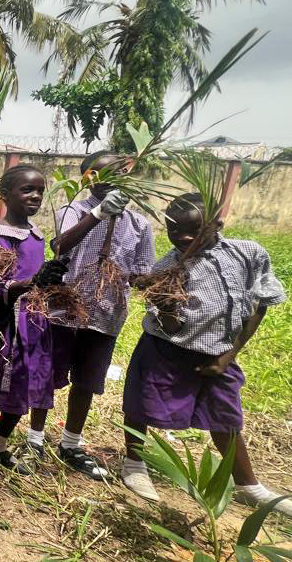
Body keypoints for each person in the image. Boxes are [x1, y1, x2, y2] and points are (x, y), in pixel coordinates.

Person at [121, 194, 290, 515]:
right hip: (166, 351)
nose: (184, 238)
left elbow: (260, 303)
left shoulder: (247, 254)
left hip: (219, 354)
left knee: (225, 417)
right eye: (174, 231)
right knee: (142, 406)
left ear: (217, 225)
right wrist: (166, 305)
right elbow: (170, 326)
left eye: (194, 230)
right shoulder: (167, 268)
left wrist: (228, 355)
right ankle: (133, 465)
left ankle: (248, 486)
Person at [25, 152, 152, 479]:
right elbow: (60, 245)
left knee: (87, 381)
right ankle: (35, 440)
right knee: (49, 375)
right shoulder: (74, 211)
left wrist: (162, 290)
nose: (114, 177)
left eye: (119, 172)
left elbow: (140, 272)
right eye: (103, 173)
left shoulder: (138, 223)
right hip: (64, 308)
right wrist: (98, 213)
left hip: (106, 313)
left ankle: (71, 442)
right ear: (89, 179)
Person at [0, 164, 67, 482]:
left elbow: (41, 283)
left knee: (25, 384)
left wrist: (51, 283)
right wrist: (30, 283)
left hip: (35, 322)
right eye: (27, 190)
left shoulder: (39, 237)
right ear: (6, 194)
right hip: (1, 323)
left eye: (39, 190)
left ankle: (0, 444)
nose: (35, 196)